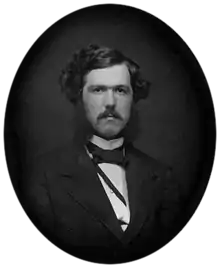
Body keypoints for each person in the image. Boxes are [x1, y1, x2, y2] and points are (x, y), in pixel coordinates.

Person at [21, 44, 181, 262]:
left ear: (133, 98)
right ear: (79, 97)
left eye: (121, 90)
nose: (110, 103)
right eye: (98, 90)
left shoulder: (163, 178)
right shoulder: (42, 177)